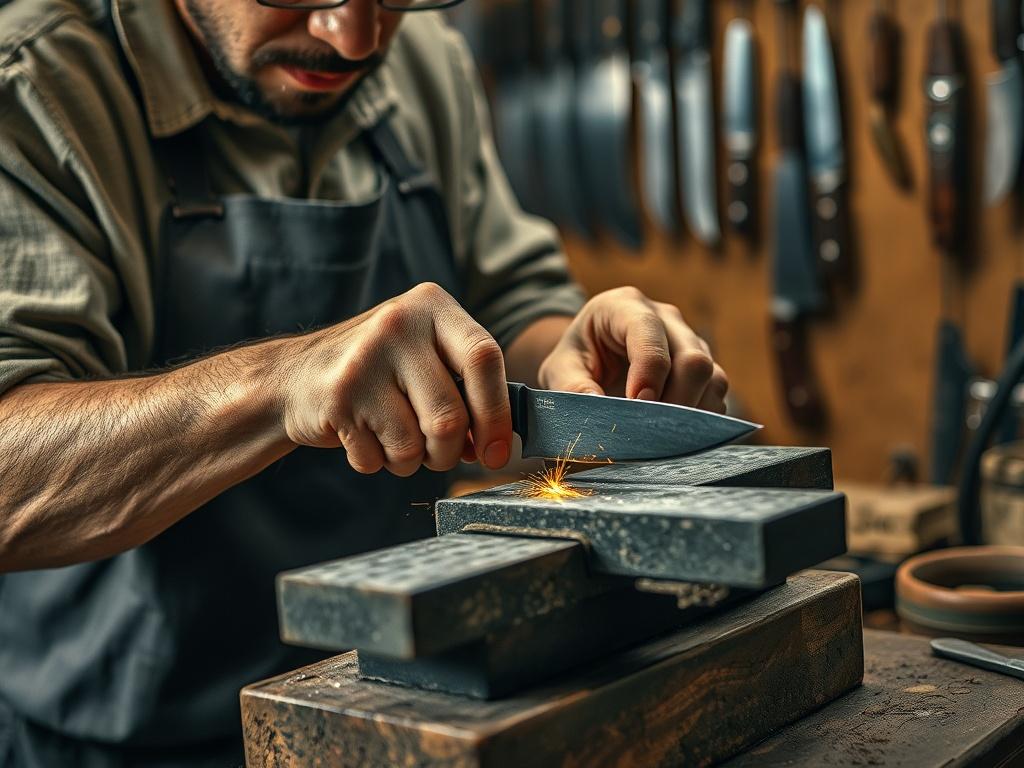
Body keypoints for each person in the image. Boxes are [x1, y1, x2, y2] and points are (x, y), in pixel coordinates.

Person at [0, 0, 729, 764]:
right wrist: (284, 382)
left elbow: (508, 306)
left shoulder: (420, 60)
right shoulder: (36, 88)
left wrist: (574, 357)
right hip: (132, 740)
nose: (351, 38)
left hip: (406, 704)